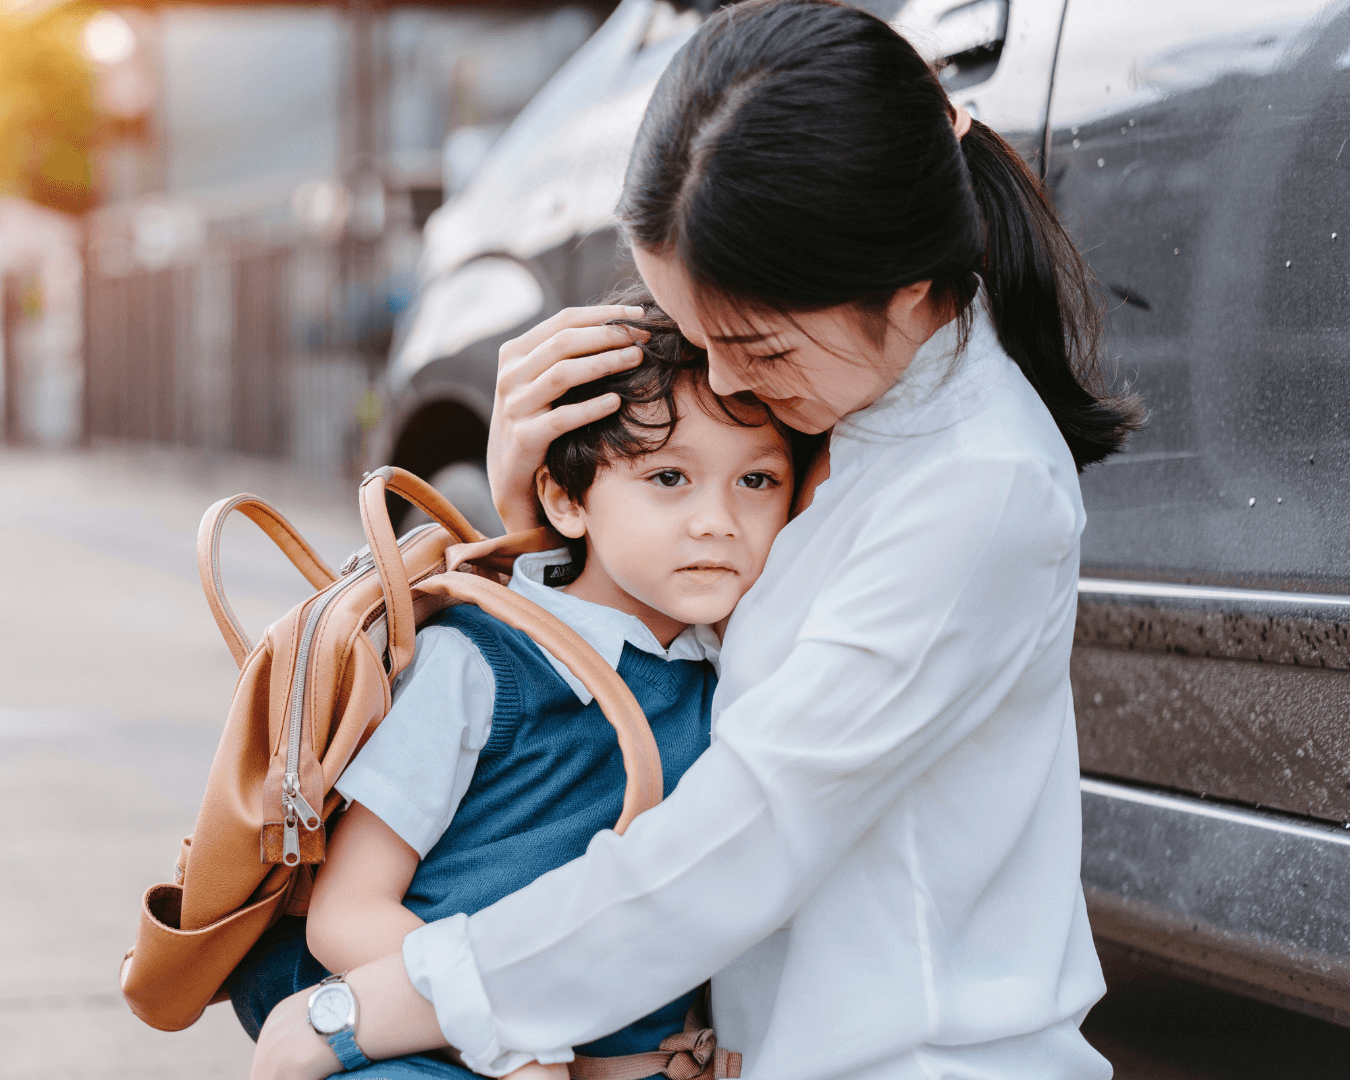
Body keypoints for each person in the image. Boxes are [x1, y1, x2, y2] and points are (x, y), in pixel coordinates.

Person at [250, 2, 1143, 1078]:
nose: (720, 382)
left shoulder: (976, 489)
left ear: (906, 287)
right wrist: (540, 514)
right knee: (283, 974)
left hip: (915, 1062)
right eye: (702, 339)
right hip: (760, 1046)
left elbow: (742, 837)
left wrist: (373, 1010)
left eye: (751, 345)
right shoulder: (851, 413)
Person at [227, 307, 792, 1080]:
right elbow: (346, 914)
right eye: (669, 477)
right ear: (565, 500)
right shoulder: (482, 662)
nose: (717, 522)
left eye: (757, 480)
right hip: (431, 1042)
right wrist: (507, 1042)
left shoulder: (734, 676)